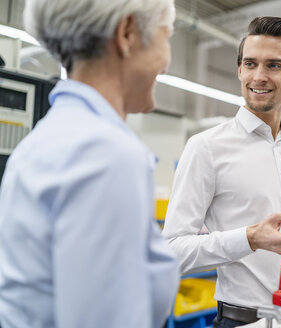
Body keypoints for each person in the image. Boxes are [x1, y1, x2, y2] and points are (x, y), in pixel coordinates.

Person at [0, 0, 179, 327]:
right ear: (126, 34)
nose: (166, 65)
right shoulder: (104, 154)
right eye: (166, 37)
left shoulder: (45, 139)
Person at [163, 16, 281, 328]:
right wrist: (249, 239)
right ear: (239, 70)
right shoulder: (206, 147)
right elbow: (172, 251)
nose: (259, 76)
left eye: (274, 66)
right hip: (242, 321)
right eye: (250, 64)